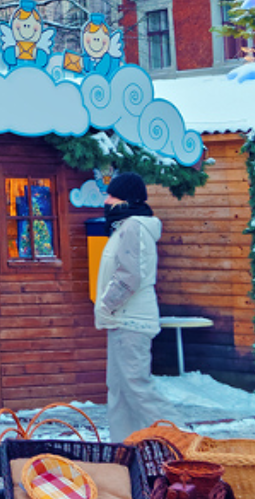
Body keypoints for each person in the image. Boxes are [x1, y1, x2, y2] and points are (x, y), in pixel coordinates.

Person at [95, 172, 174, 441]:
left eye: (111, 195)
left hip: (130, 320)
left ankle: (182, 443)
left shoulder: (133, 227)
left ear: (126, 199)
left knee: (137, 387)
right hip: (122, 320)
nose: (106, 200)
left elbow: (129, 276)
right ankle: (126, 449)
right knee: (118, 390)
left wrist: (106, 305)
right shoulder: (125, 226)